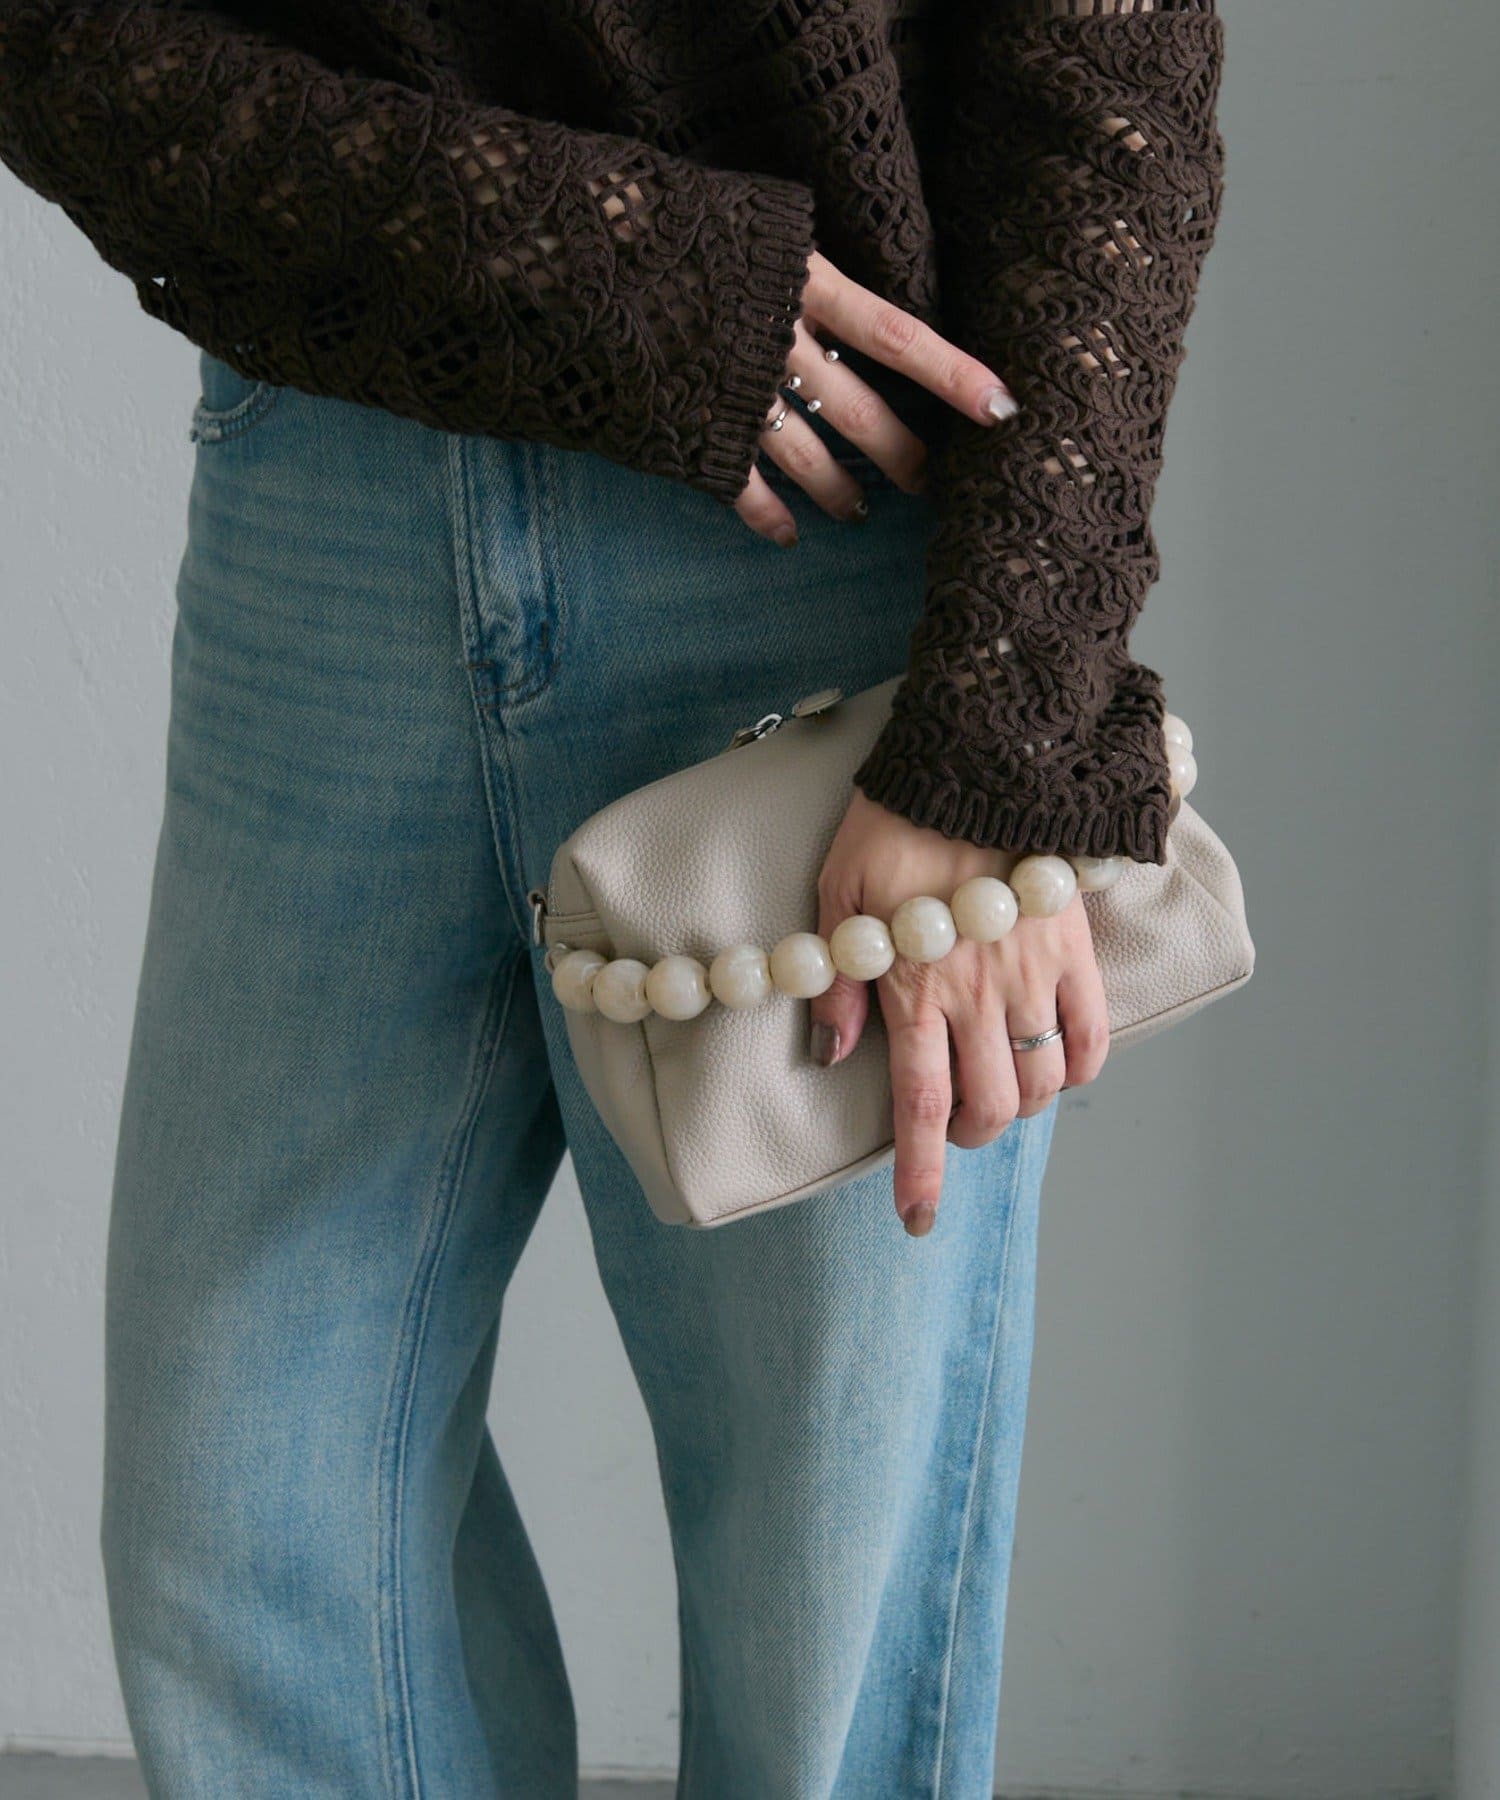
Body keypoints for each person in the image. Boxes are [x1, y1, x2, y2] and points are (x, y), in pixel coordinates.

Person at [0, 1, 1225, 1793]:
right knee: (242, 1491)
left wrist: (998, 725)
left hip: (817, 545)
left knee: (825, 1569)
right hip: (329, 492)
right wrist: (617, 272)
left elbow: (1111, 98)